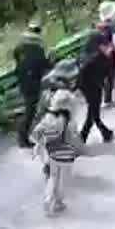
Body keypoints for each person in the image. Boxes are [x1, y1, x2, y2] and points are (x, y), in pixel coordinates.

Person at [31, 77, 80, 214]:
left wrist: (40, 145)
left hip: (50, 152)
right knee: (62, 179)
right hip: (65, 154)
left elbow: (35, 135)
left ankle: (48, 199)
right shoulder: (69, 121)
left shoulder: (47, 118)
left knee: (52, 177)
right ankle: (58, 202)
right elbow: (73, 138)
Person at [12, 23, 52, 148]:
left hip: (22, 80)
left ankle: (25, 133)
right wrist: (51, 57)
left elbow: (16, 59)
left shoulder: (20, 47)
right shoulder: (38, 49)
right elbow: (45, 65)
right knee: (31, 109)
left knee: (31, 107)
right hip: (33, 82)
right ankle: (22, 137)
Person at [76, 26, 115, 144]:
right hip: (91, 86)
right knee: (94, 112)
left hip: (91, 85)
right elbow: (85, 71)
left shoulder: (88, 54)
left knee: (93, 112)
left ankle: (102, 133)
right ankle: (84, 137)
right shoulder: (95, 57)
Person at [92, 1, 115, 110]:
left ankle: (104, 99)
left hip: (101, 57)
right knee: (109, 78)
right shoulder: (108, 27)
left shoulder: (99, 26)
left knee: (105, 79)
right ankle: (106, 100)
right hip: (108, 57)